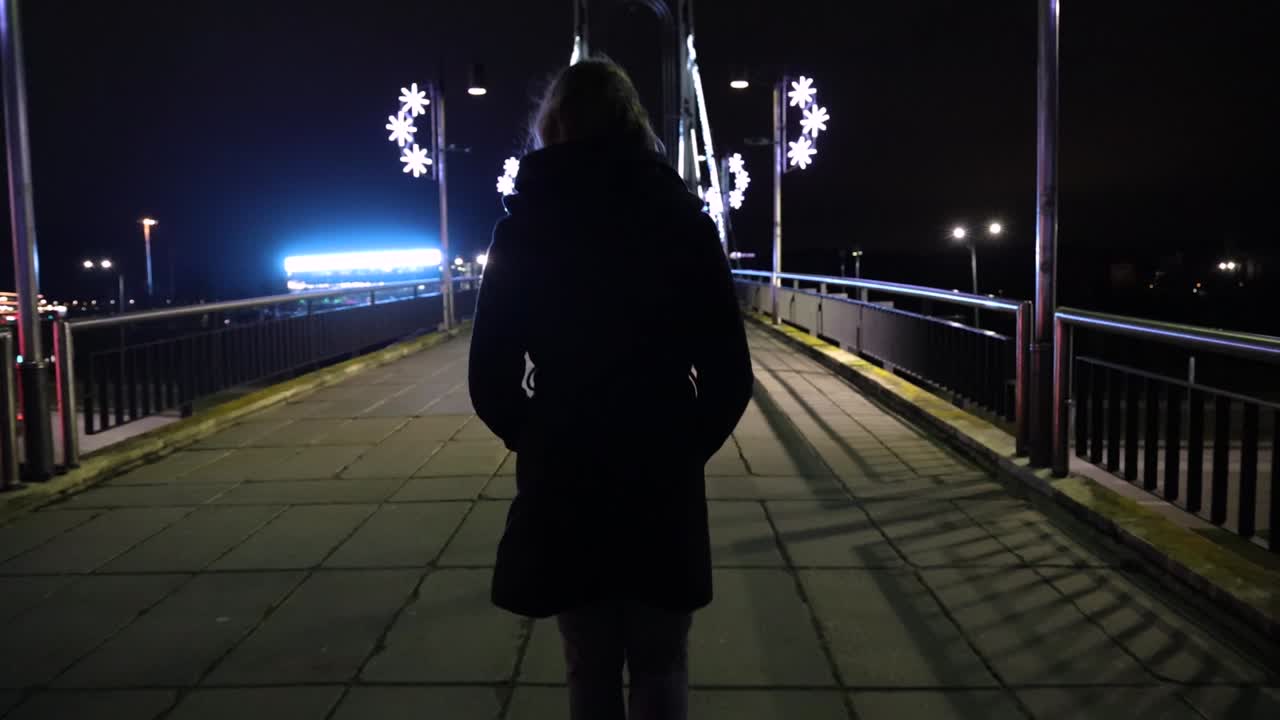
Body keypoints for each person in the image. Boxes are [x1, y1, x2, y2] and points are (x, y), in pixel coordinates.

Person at [468, 58, 753, 720]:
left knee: (587, 663)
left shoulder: (525, 230)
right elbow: (730, 377)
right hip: (660, 466)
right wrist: (681, 444)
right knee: (662, 661)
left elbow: (490, 379)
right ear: (636, 124)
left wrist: (540, 436)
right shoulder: (682, 222)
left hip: (567, 470)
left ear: (553, 125)